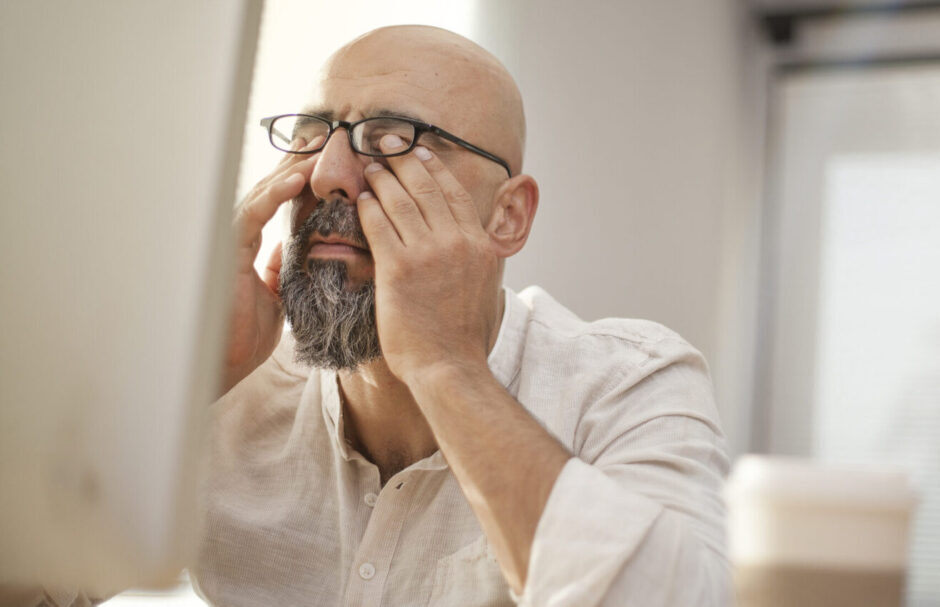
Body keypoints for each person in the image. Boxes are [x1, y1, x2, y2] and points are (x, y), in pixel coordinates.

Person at [17, 23, 730, 607]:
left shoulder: (629, 382)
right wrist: (186, 381)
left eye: (394, 140)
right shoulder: (236, 381)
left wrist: (444, 367)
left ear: (507, 215)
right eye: (311, 132)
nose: (328, 173)